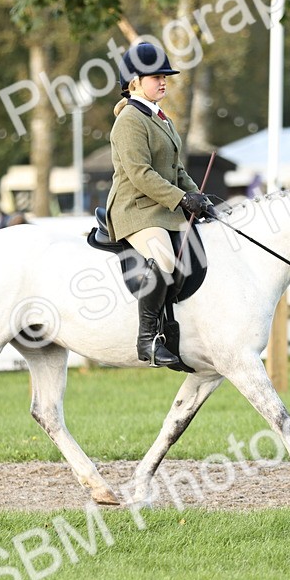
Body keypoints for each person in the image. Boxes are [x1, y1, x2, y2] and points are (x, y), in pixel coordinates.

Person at [104, 41, 216, 367]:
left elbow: (176, 169)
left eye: (166, 75)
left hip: (161, 208)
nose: (164, 81)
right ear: (135, 81)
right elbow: (140, 174)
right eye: (156, 76)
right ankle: (147, 340)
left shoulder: (161, 118)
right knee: (165, 257)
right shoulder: (129, 121)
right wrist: (181, 199)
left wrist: (199, 198)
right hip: (134, 209)